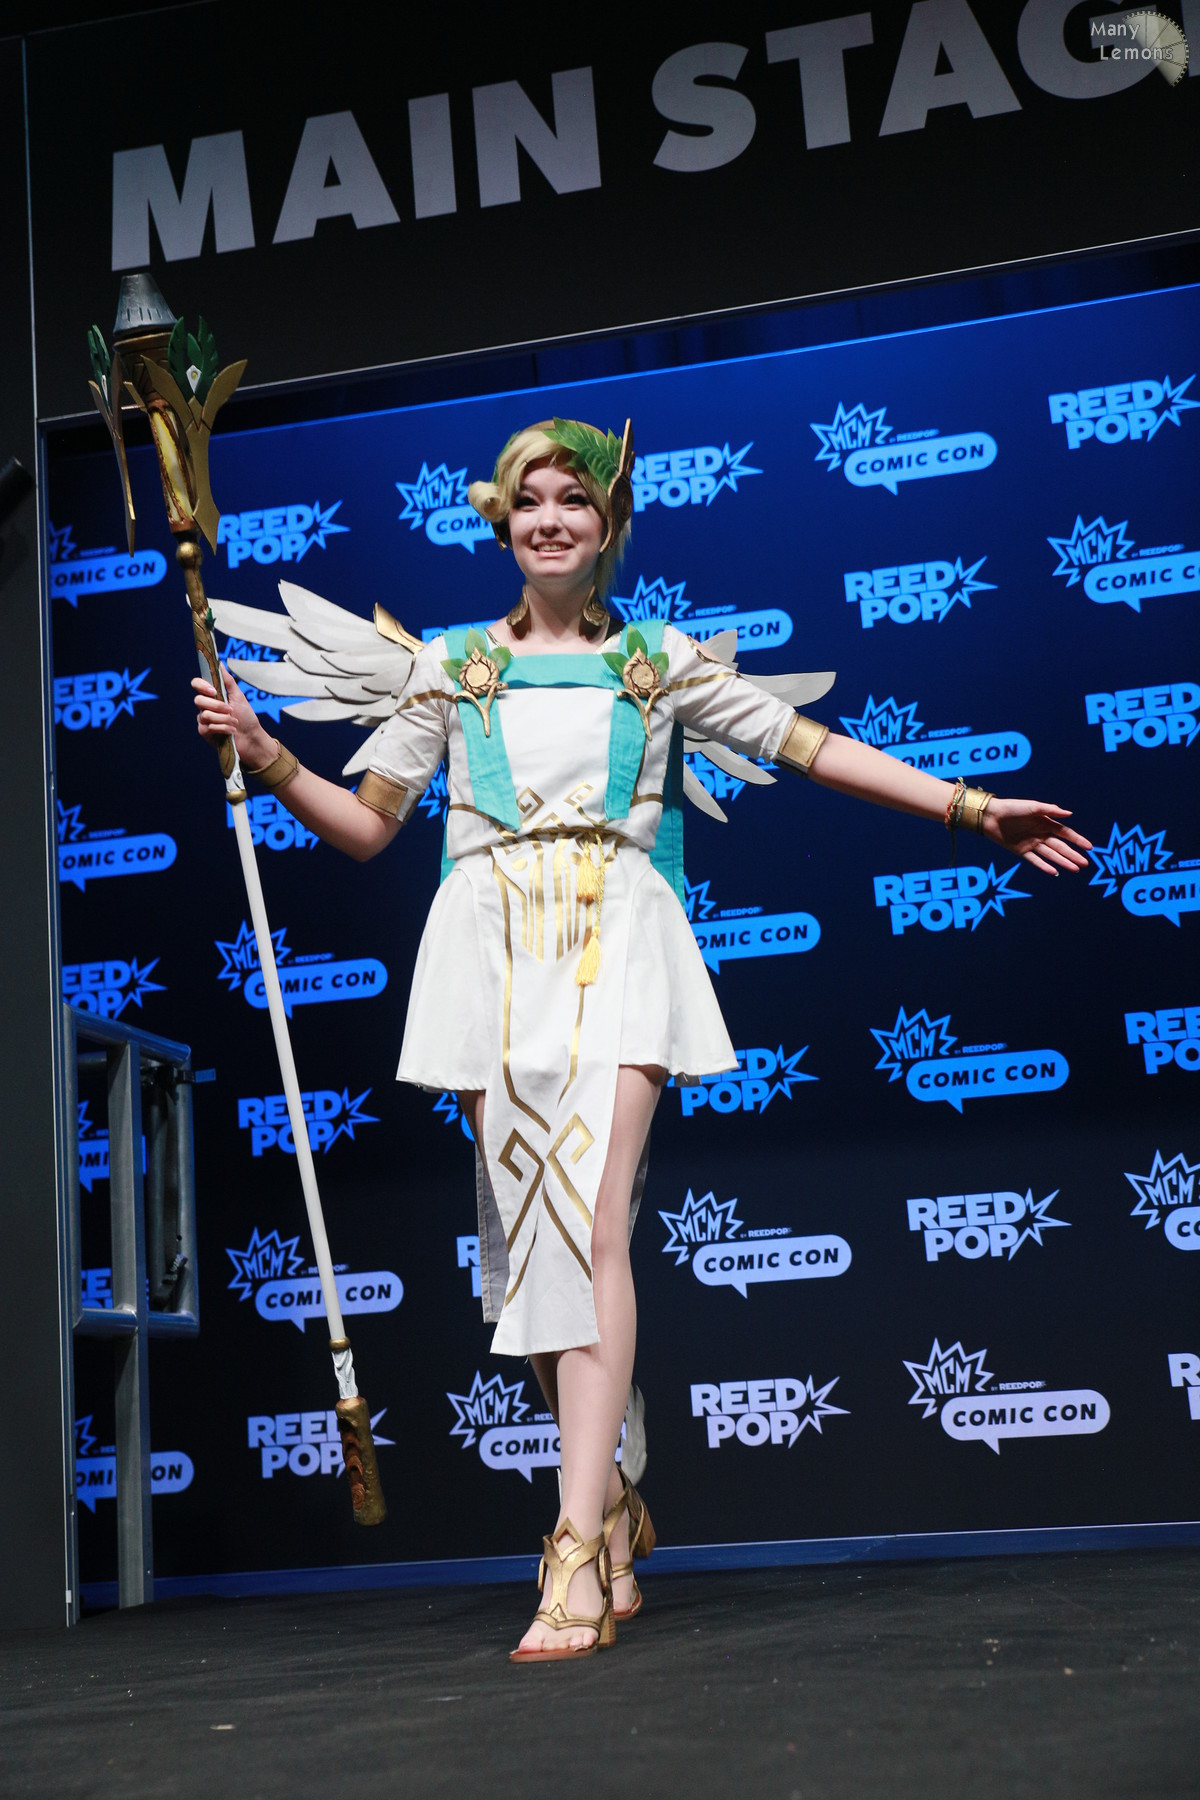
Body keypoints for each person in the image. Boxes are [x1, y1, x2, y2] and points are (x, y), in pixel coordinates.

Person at [194, 417, 1091, 1661]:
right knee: (531, 1248)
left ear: (610, 524)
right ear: (502, 523)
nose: (550, 519)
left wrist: (969, 806)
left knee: (594, 1226)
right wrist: (271, 756)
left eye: (574, 499)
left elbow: (813, 749)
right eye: (530, 501)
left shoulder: (659, 662)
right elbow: (366, 826)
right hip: (488, 959)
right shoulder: (452, 665)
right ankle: (612, 1493)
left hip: (622, 939)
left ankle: (569, 1545)